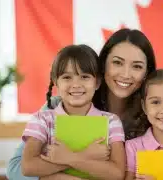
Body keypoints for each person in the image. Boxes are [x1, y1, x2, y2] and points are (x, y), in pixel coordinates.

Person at [6, 28, 157, 180]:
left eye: (137, 66)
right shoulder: (56, 107)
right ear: (103, 65)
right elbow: (16, 170)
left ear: (147, 73)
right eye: (117, 62)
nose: (125, 74)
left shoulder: (155, 115)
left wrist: (70, 159)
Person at [21, 44, 126, 179]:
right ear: (56, 81)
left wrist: (68, 158)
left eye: (85, 77)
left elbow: (117, 174)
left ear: (98, 82)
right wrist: (86, 155)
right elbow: (28, 167)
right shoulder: (42, 120)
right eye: (67, 77)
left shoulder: (111, 121)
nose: (76, 85)